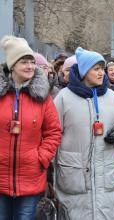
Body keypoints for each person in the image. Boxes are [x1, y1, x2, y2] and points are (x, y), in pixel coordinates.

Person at [54, 47, 114, 220]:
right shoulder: (63, 98)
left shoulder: (112, 97)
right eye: (96, 69)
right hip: (74, 176)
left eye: (102, 69)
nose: (101, 73)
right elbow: (52, 133)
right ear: (83, 71)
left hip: (106, 176)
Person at [0, 35, 61, 220]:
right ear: (12, 66)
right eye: (24, 62)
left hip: (31, 179)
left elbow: (54, 132)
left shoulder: (42, 97)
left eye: (32, 62)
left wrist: (40, 158)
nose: (30, 66)